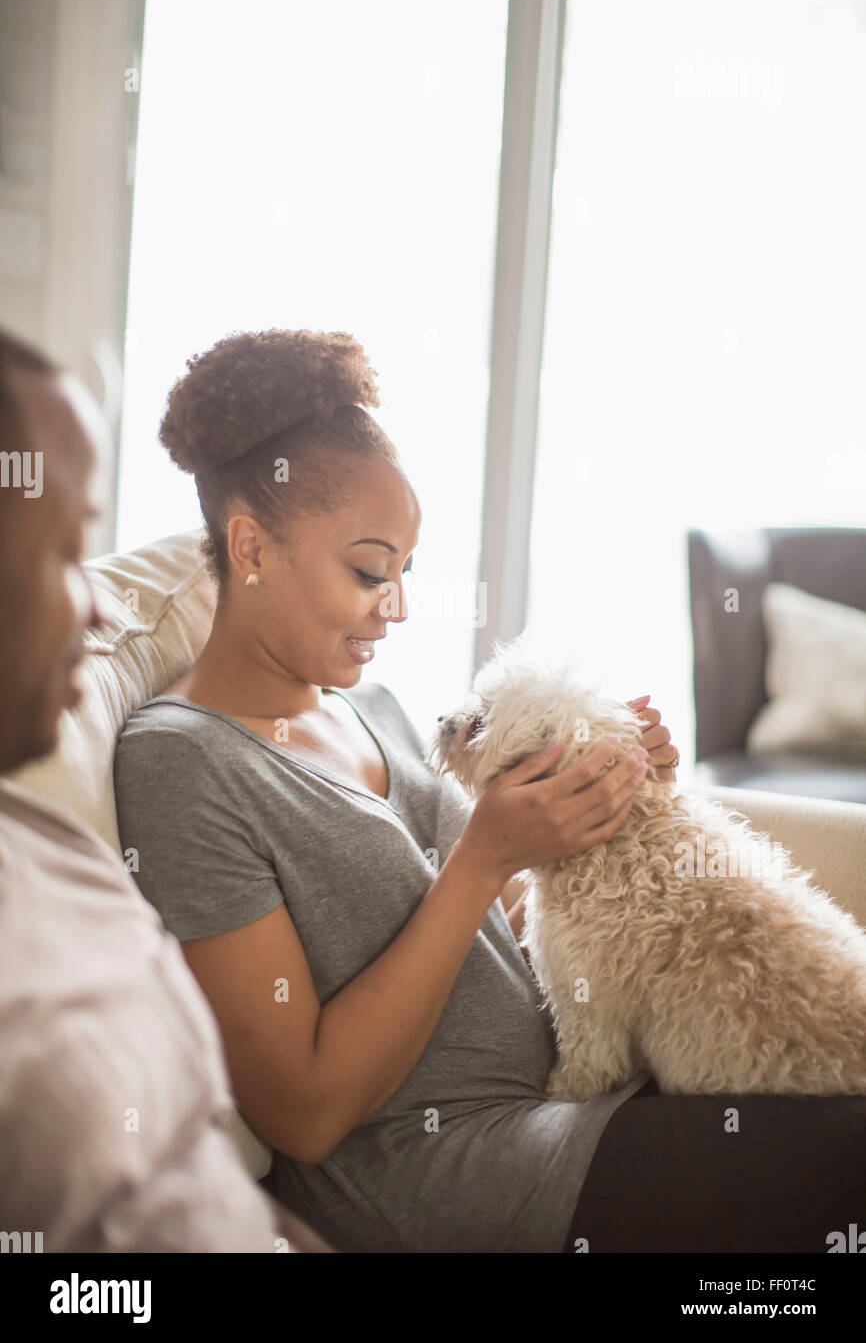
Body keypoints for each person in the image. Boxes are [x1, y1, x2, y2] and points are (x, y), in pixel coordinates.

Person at [113, 327, 675, 1254]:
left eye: (406, 572)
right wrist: (482, 856)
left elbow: (511, 932)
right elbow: (305, 1113)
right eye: (370, 572)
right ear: (250, 545)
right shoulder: (182, 762)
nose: (398, 608)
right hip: (456, 1170)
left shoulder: (372, 706)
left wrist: (611, 802)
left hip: (577, 1093)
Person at [0, 326, 332, 1252]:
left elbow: (197, 1170)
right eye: (63, 554)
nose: (103, 607)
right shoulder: (180, 761)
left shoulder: (47, 837)